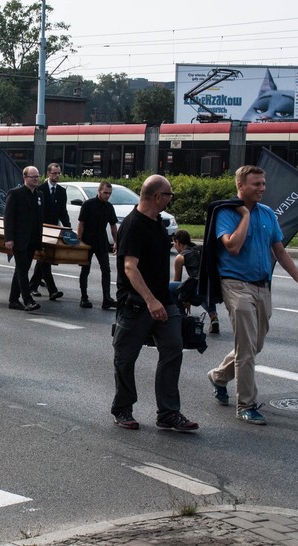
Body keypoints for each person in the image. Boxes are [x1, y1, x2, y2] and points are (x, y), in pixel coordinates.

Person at [207, 165, 298, 425]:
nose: (262, 188)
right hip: (235, 285)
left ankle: (219, 376)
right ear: (240, 186)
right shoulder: (227, 213)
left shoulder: (267, 213)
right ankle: (246, 404)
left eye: (264, 184)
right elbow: (232, 246)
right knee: (246, 348)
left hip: (262, 286)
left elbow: (279, 250)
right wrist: (244, 216)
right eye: (256, 184)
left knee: (256, 345)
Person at [112, 175, 198, 433]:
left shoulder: (158, 224)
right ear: (158, 196)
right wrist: (150, 301)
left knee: (173, 349)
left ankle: (168, 413)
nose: (172, 199)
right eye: (170, 195)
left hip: (163, 301)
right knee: (125, 358)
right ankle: (123, 409)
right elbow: (130, 267)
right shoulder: (133, 225)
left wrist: (176, 295)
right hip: (136, 303)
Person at [4, 166, 44, 312]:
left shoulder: (39, 195)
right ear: (25, 177)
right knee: (22, 270)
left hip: (32, 239)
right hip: (19, 239)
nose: (36, 179)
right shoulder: (15, 193)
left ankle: (13, 300)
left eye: (37, 176)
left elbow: (39, 219)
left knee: (22, 270)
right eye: (33, 177)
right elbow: (8, 218)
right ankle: (28, 300)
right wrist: (9, 238)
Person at [30, 163, 71, 301]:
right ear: (48, 174)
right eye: (54, 173)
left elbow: (63, 212)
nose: (57, 176)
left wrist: (68, 228)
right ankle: (52, 290)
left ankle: (32, 286)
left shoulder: (61, 191)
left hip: (53, 230)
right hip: (40, 229)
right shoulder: (40, 190)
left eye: (59, 173)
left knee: (43, 258)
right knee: (45, 259)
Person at [169, 230, 220, 334]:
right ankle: (213, 316)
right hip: (213, 287)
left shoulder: (180, 257)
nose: (175, 246)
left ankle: (181, 318)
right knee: (202, 287)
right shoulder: (200, 249)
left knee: (170, 288)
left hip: (199, 287)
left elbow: (177, 282)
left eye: (174, 243)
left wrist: (184, 299)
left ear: (177, 242)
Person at [78, 180, 118, 310]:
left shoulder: (109, 207)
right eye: (105, 193)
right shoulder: (88, 204)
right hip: (87, 241)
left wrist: (116, 242)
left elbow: (113, 226)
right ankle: (84, 298)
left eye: (109, 193)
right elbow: (81, 223)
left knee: (106, 269)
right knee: (85, 270)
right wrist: (79, 240)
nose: (107, 196)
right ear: (99, 191)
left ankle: (107, 298)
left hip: (101, 241)